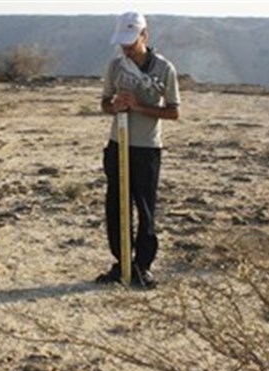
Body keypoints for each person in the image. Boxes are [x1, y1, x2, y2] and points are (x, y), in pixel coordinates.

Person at [97, 11, 180, 288]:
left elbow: (172, 112)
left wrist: (138, 107)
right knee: (116, 206)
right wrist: (115, 107)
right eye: (123, 45)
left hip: (146, 150)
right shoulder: (115, 66)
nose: (127, 50)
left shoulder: (164, 69)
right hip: (117, 145)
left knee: (145, 209)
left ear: (145, 35)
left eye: (131, 44)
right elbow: (104, 104)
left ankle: (143, 266)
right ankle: (121, 263)